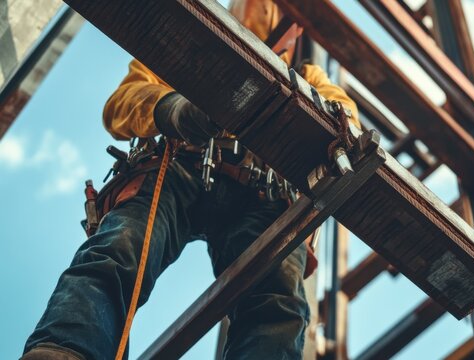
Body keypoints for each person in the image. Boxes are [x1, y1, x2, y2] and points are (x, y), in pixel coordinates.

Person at [21, 0, 359, 359]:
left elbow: (343, 115)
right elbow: (122, 103)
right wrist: (173, 108)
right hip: (181, 165)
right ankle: (66, 350)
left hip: (261, 189)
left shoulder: (304, 74)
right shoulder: (189, 51)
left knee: (277, 302)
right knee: (120, 250)